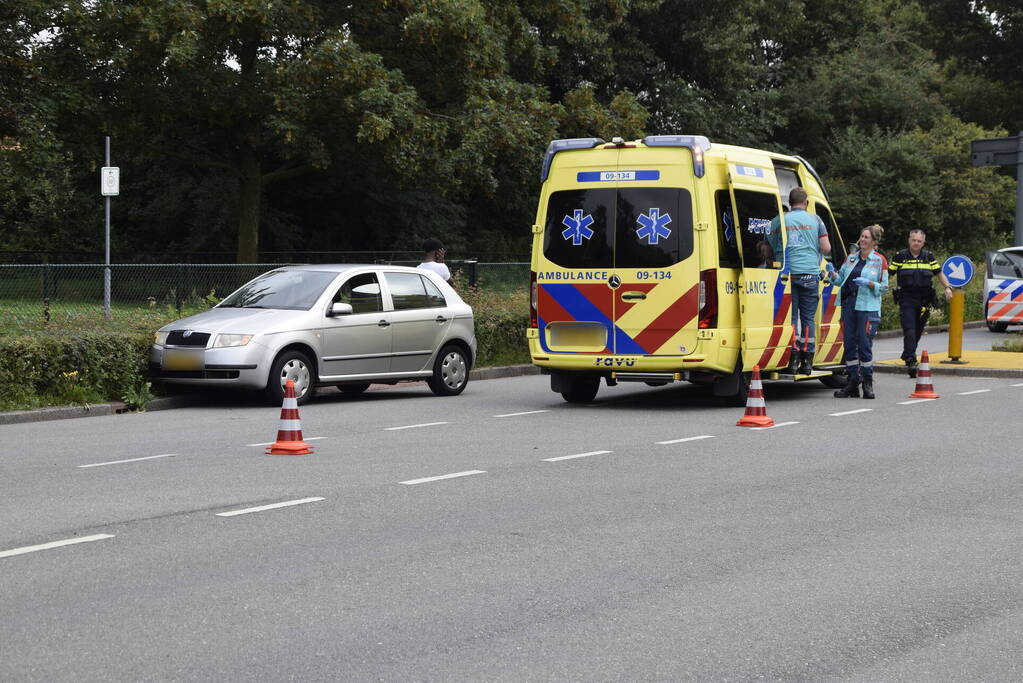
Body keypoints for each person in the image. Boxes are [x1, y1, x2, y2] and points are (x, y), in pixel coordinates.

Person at [767, 187, 831, 375]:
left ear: (790, 203)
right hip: (810, 274)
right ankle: (808, 361)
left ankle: (793, 360)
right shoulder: (815, 220)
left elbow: (769, 245)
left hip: (786, 275)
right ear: (806, 202)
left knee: (791, 318)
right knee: (808, 319)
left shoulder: (779, 220)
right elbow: (826, 248)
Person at [830, 224, 889, 399]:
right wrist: (831, 275)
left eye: (866, 237)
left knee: (864, 346)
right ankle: (853, 382)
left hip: (867, 307)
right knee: (849, 345)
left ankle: (868, 383)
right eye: (861, 237)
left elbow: (884, 287)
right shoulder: (851, 258)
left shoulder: (880, 261)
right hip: (849, 304)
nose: (862, 240)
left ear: (874, 241)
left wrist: (870, 283)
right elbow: (840, 280)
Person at [888, 229, 953, 377]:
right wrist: (880, 286)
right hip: (907, 299)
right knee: (909, 329)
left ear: (923, 243)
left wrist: (948, 288)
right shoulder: (900, 256)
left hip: (925, 299)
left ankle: (907, 353)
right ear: (909, 240)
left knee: (917, 331)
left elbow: (939, 273)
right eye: (913, 240)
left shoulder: (928, 257)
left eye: (919, 241)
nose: (916, 243)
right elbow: (888, 274)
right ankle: (911, 361)